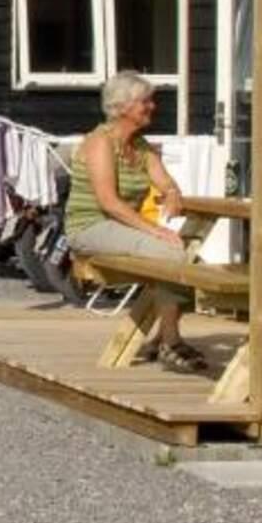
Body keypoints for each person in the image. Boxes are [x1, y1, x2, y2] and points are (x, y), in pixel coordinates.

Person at [64, 70, 203, 371]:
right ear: (123, 106)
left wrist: (172, 191)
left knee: (192, 259)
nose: (153, 106)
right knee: (171, 253)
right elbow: (108, 202)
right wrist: (156, 230)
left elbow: (164, 181)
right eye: (146, 101)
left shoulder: (141, 147)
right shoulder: (100, 142)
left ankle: (163, 337)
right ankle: (171, 341)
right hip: (89, 226)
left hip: (122, 227)